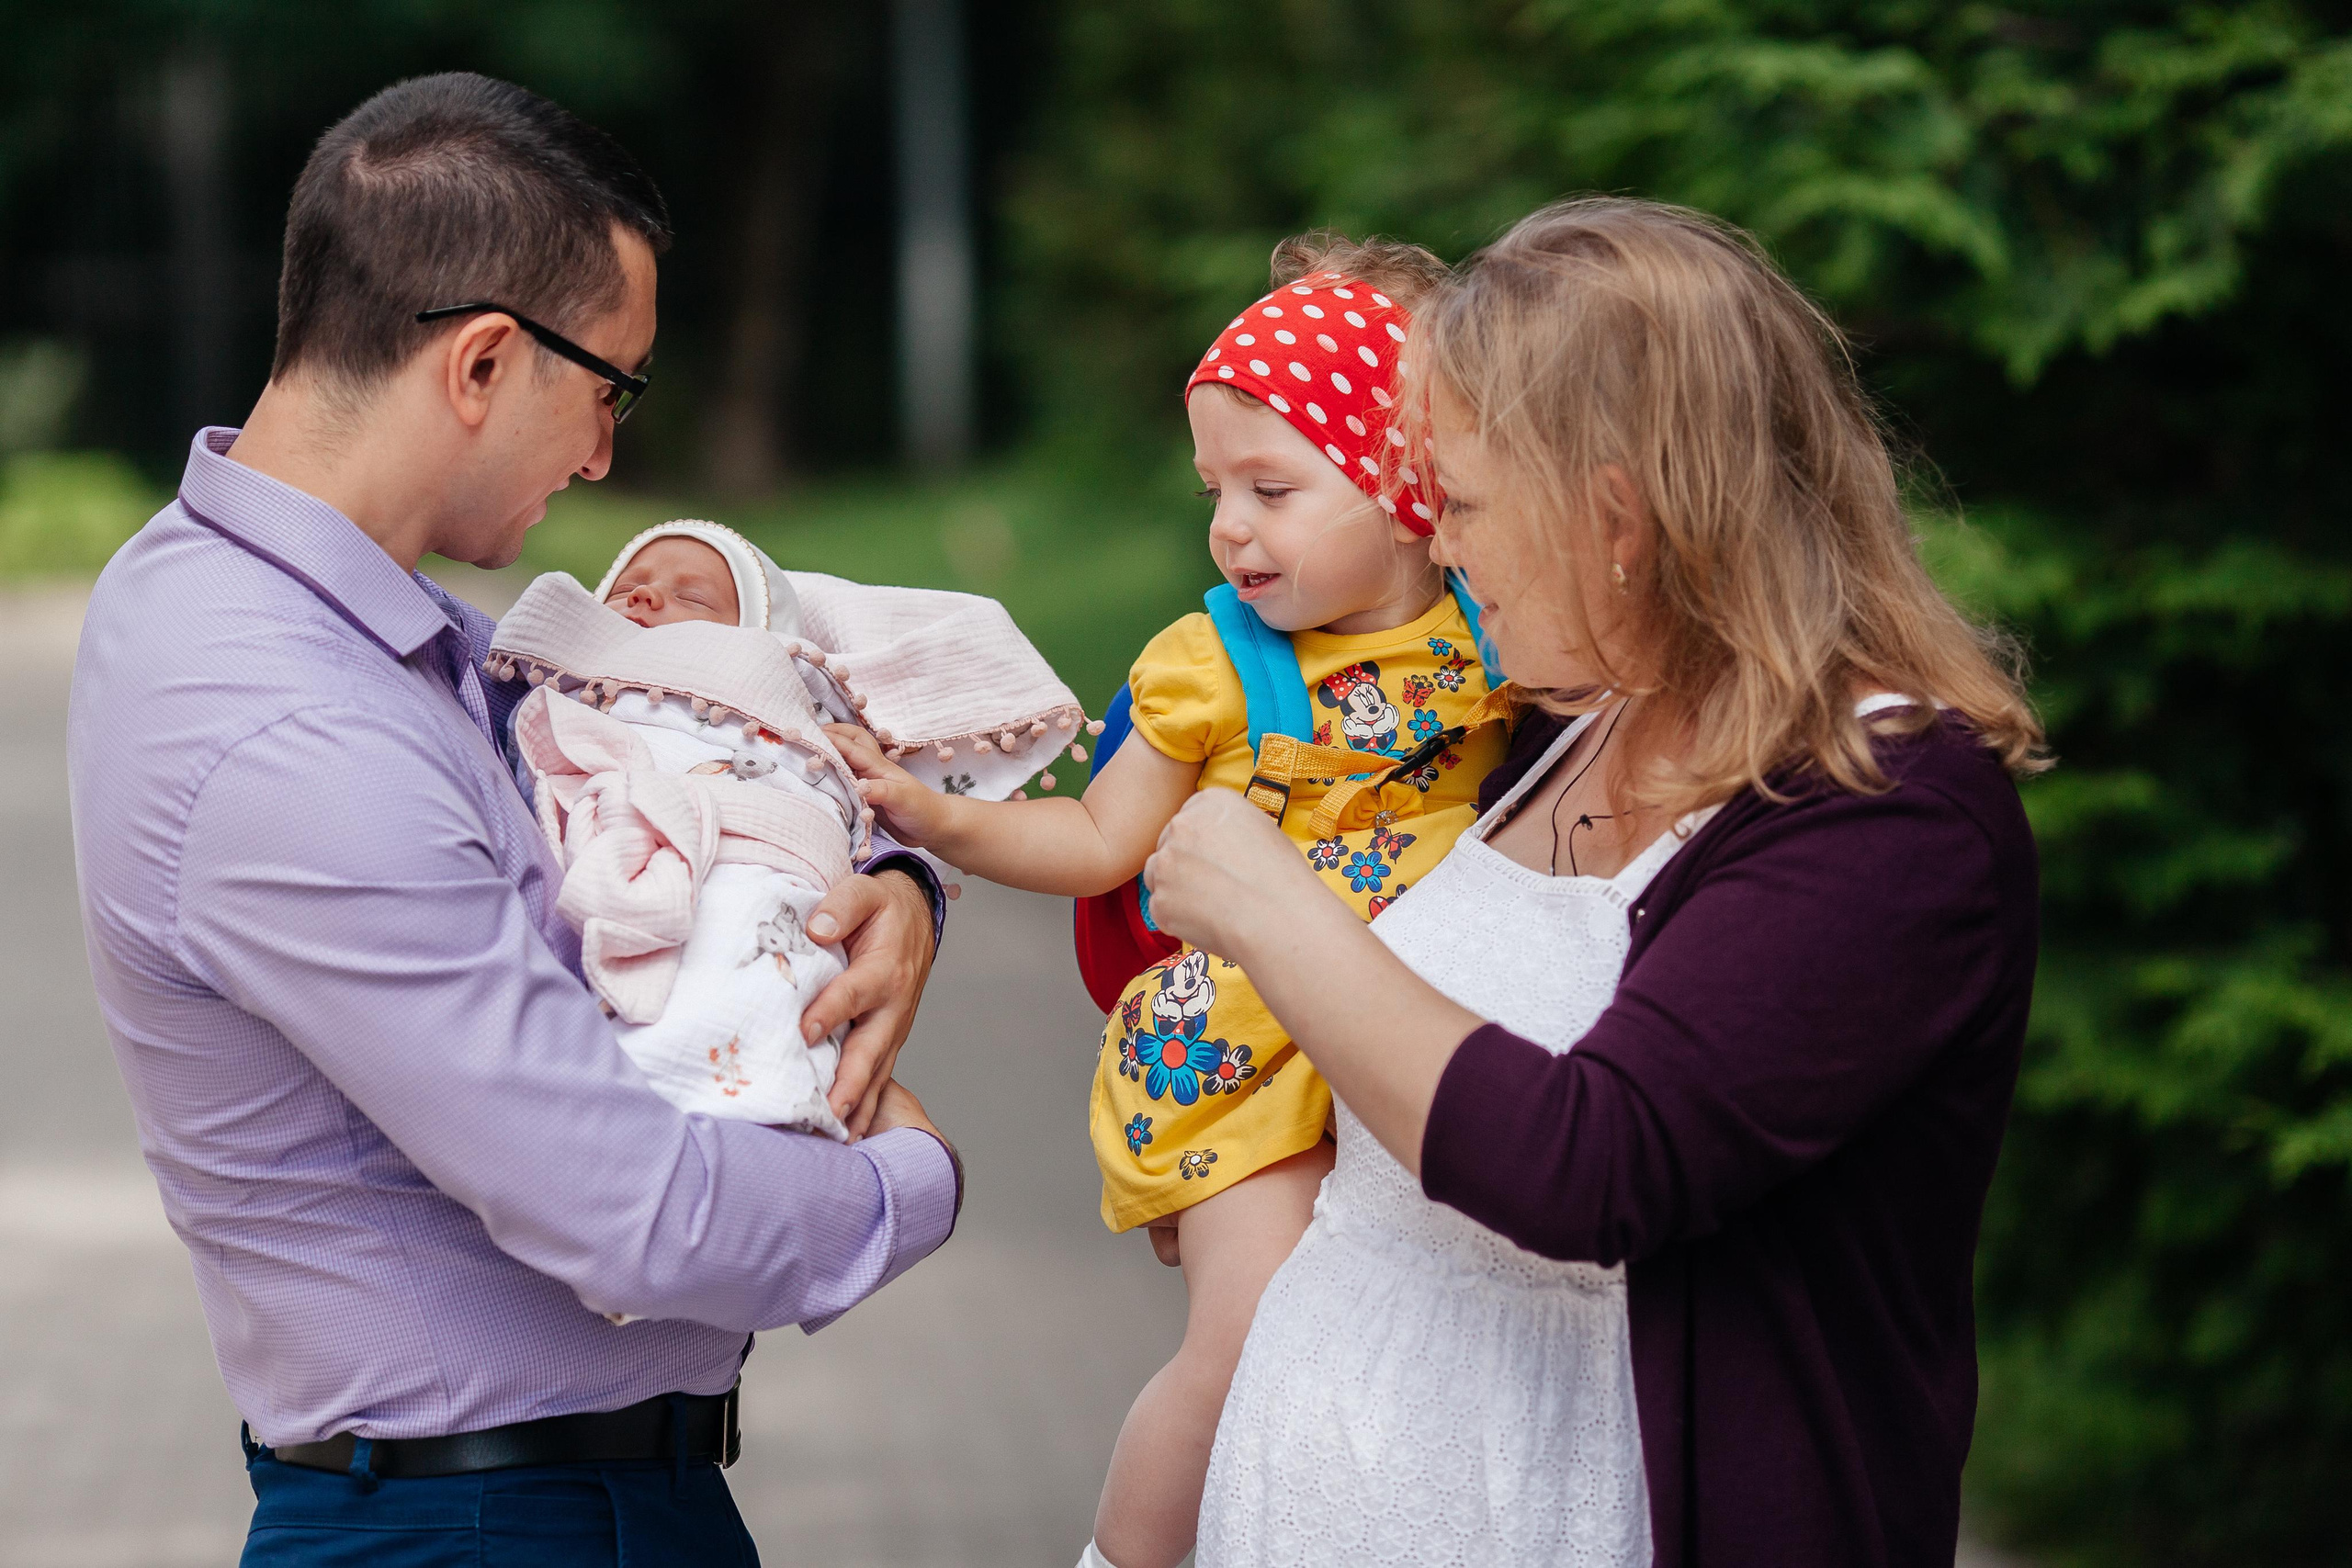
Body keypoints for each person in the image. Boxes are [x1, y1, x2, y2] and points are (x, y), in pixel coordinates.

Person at [67, 73, 960, 1566]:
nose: (606, 454)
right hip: (485, 1521)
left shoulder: (304, 598)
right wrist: (908, 1178)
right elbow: (635, 1214)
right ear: (484, 360)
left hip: (537, 1500)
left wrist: (902, 878)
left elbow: (737, 748)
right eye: (612, 387)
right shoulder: (291, 725)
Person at [1142, 197, 2045, 1567]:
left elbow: (1591, 1159)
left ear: (1617, 515)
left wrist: (1273, 910)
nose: (1438, 546)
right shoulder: (1569, 713)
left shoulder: (1897, 815)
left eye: (1467, 503)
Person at [835, 239, 1511, 1568]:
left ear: (1405, 483)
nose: (1231, 527)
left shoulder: (1497, 628)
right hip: (1241, 1062)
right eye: (1215, 488)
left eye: (1273, 485)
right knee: (1249, 1335)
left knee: (1400, 1348)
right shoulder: (1209, 663)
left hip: (1403, 1040)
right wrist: (940, 816)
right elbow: (1097, 837)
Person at [490, 520, 1079, 1138]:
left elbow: (837, 806)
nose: (644, 597)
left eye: (693, 598)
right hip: (610, 830)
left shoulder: (791, 723)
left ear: (762, 645)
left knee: (751, 948)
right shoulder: (555, 691)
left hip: (757, 856)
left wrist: (901, 877)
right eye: (626, 587)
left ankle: (749, 1090)